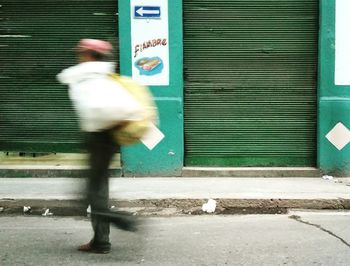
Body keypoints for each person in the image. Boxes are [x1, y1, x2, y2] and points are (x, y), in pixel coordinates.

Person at [57, 39, 139, 254]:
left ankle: (121, 221)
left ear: (89, 55)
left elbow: (101, 108)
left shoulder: (91, 77)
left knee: (88, 196)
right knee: (96, 191)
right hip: (106, 139)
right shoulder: (103, 75)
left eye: (81, 52)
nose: (79, 55)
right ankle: (101, 241)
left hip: (99, 139)